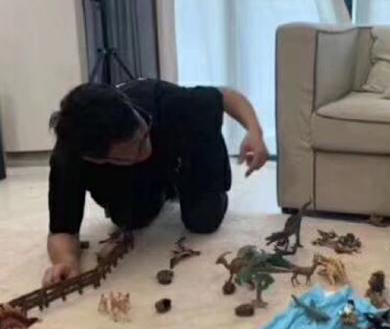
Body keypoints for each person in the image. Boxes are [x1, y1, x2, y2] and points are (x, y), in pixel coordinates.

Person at [44, 80, 269, 286]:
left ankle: (180, 185)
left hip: (187, 149)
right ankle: (163, 190)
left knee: (204, 219)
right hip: (134, 178)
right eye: (131, 152)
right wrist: (66, 261)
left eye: (142, 136)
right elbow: (62, 230)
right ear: (96, 160)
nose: (145, 150)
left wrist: (254, 131)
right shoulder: (69, 158)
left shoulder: (165, 101)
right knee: (132, 220)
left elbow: (225, 96)